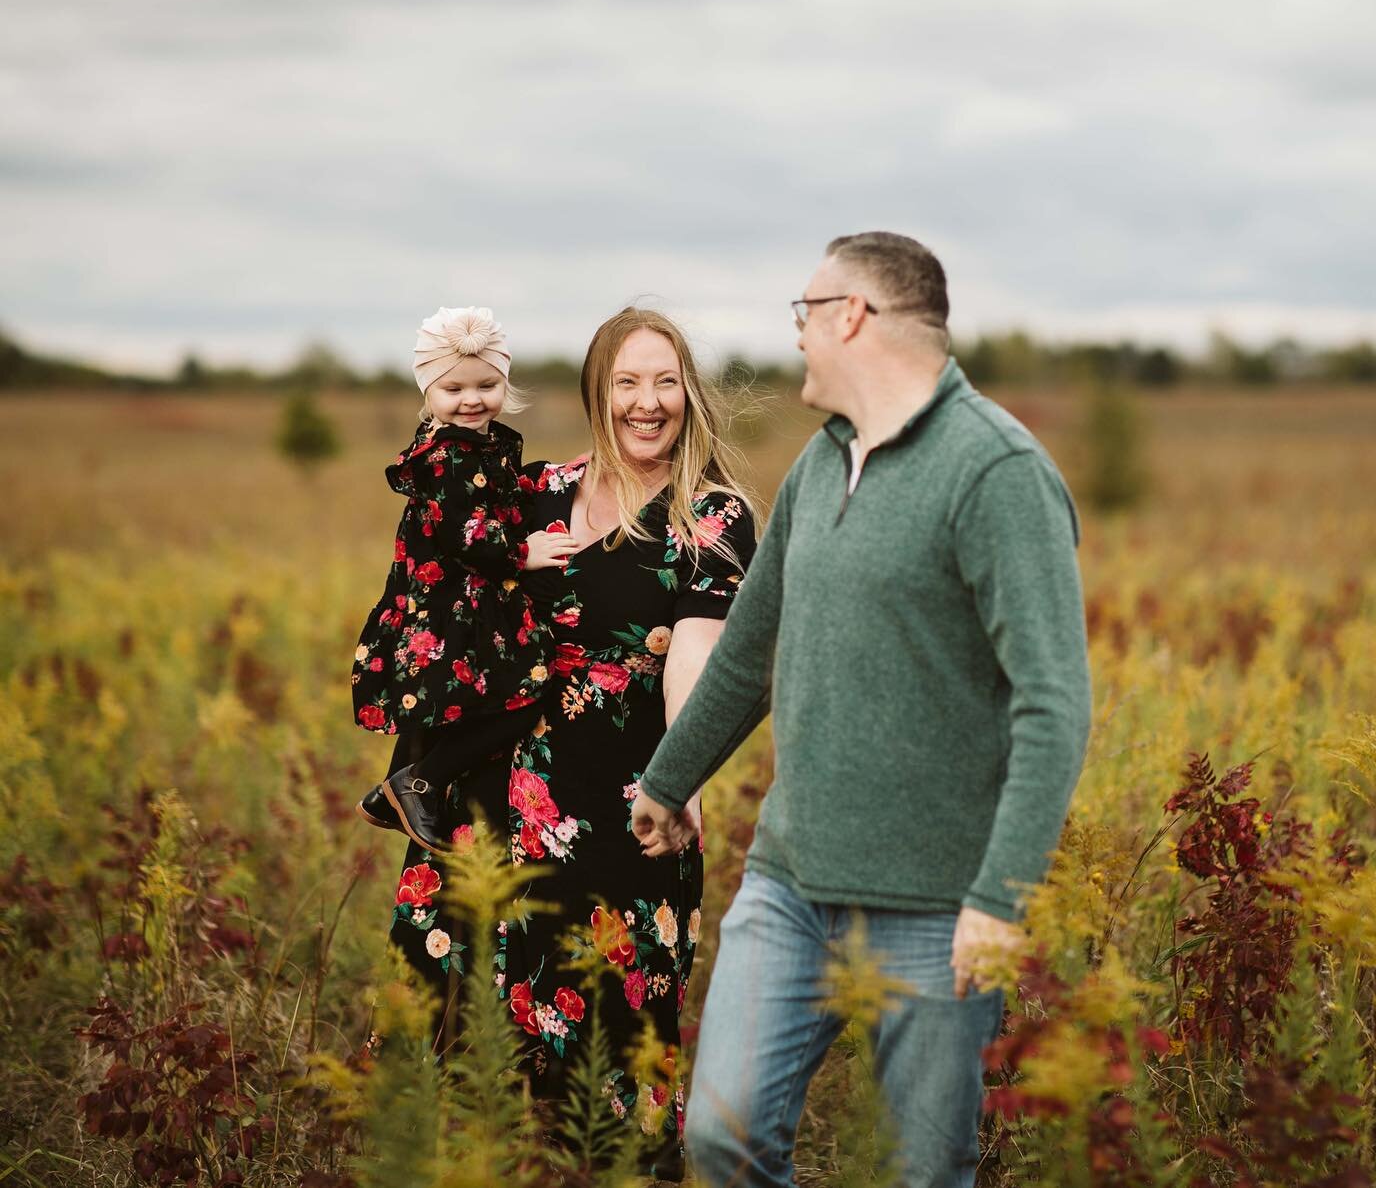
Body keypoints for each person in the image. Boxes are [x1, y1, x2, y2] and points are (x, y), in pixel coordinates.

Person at [629, 233, 1092, 1188]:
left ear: (853, 317)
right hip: (790, 883)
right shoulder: (820, 460)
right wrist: (670, 780)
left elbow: (1054, 701)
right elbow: (752, 646)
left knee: (926, 1172)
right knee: (721, 1135)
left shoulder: (994, 471)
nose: (796, 337)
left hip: (934, 904)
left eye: (805, 313)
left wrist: (1000, 897)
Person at [384, 307, 759, 1180]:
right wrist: (452, 384)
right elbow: (440, 547)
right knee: (464, 1059)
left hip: (618, 817)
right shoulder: (537, 490)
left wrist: (682, 775)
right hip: (479, 814)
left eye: (665, 380)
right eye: (627, 381)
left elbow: (695, 656)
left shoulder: (712, 516)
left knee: (609, 1072)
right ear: (598, 393)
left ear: (689, 392)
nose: (648, 402)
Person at [350, 305, 579, 853]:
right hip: (452, 606)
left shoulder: (476, 444)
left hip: (451, 602)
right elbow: (471, 535)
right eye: (453, 388)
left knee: (432, 702)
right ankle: (418, 783)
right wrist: (525, 553)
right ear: (428, 390)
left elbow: (498, 494)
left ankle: (392, 793)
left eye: (486, 384)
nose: (471, 399)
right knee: (527, 691)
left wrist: (555, 475)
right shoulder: (448, 455)